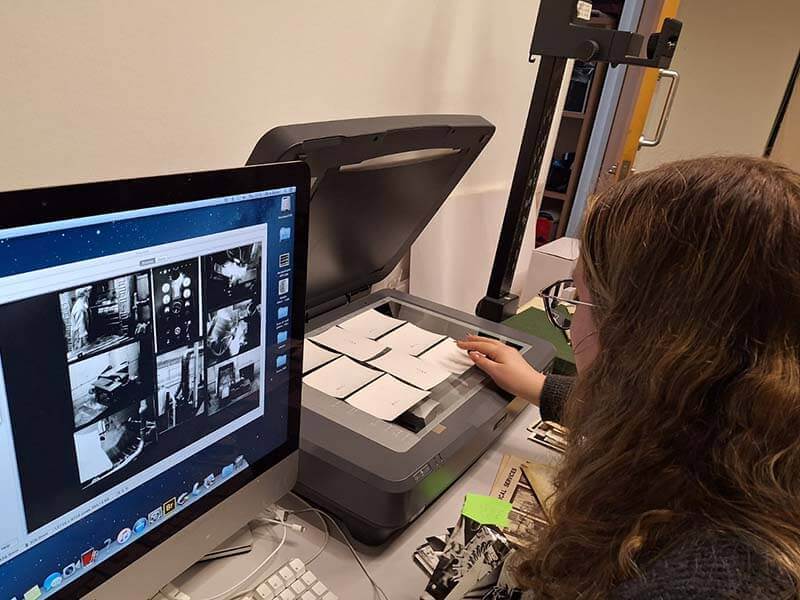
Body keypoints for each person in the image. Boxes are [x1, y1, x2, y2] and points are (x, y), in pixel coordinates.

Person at [458, 156, 800, 599]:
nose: (573, 321)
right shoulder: (755, 438)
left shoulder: (703, 579)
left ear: (651, 345)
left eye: (582, 300)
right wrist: (540, 387)